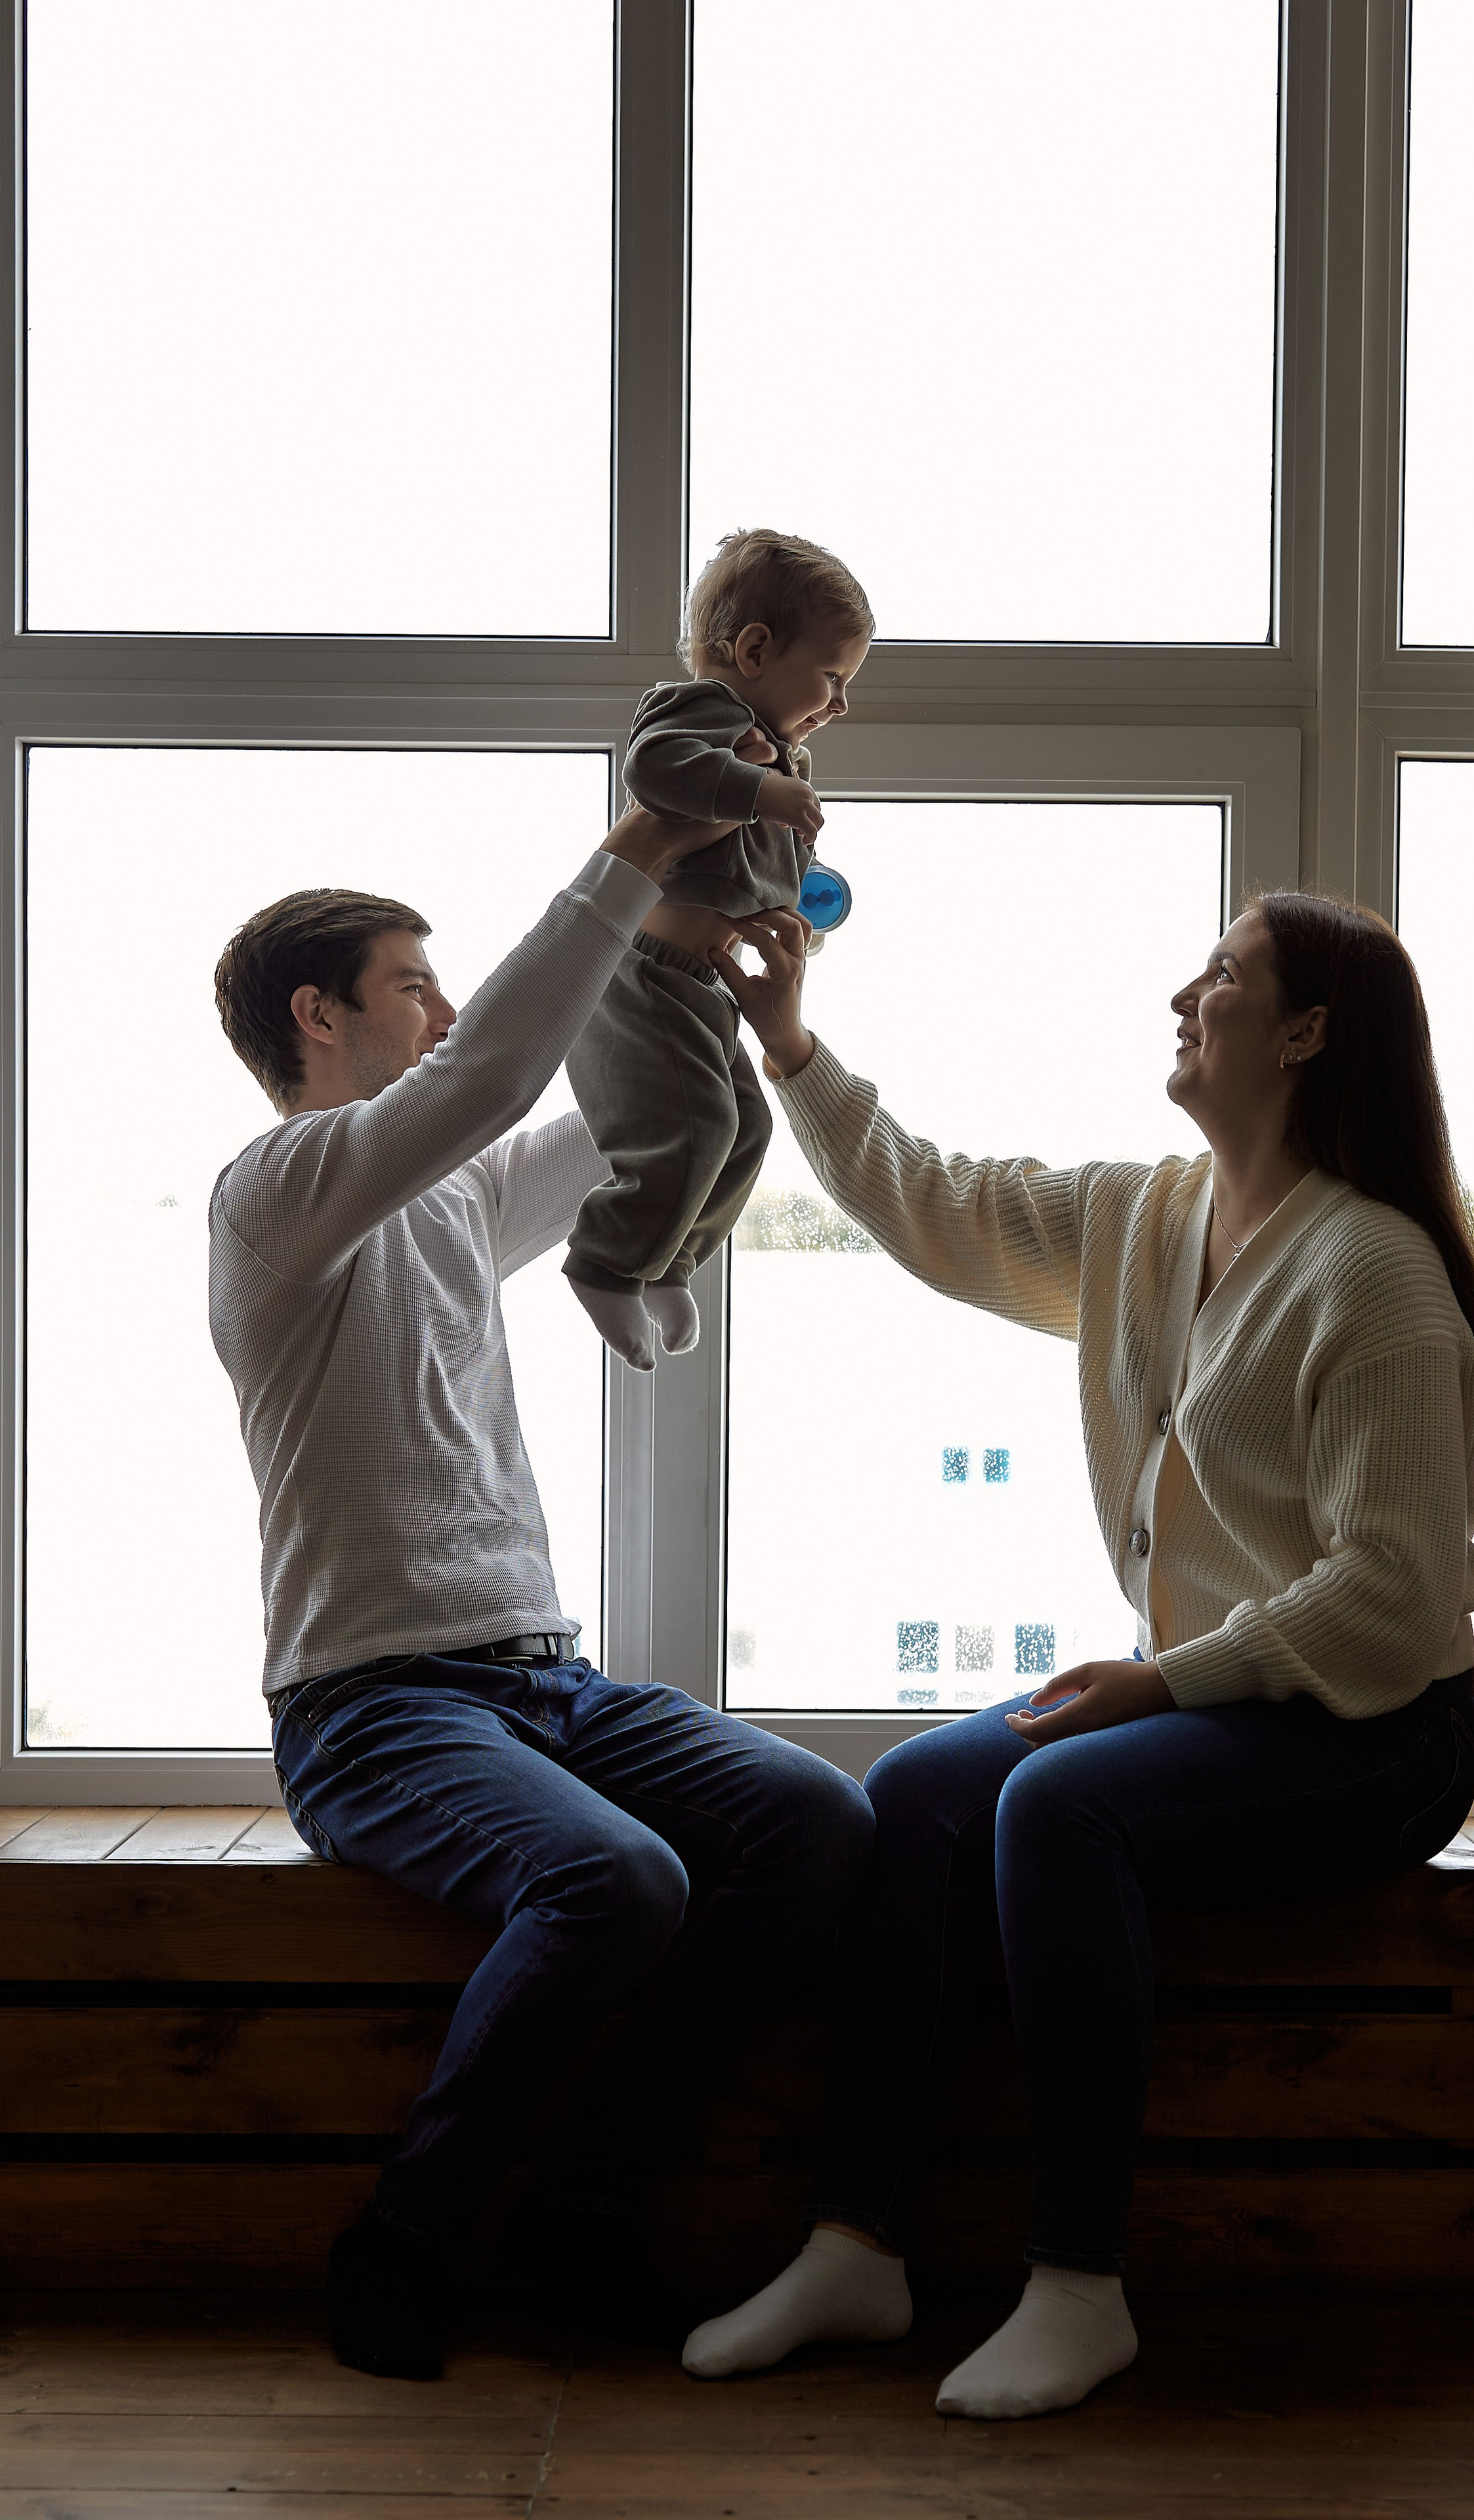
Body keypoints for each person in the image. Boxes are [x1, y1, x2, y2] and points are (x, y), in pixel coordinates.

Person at [681, 887, 1474, 2420]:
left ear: (1306, 1030)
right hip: (1226, 1700)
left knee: (1054, 1804)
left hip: (1373, 1727)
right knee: (925, 1786)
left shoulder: (1374, 1273)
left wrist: (1160, 1679)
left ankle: (1075, 2279)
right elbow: (930, 1204)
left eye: (1220, 976)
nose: (1180, 997)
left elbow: (1394, 1598)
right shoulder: (1146, 1216)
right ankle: (852, 2240)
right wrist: (788, 1044)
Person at [207, 810, 874, 2382]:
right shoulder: (279, 1192)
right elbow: (496, 1073)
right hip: (369, 1703)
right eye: (408, 985)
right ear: (319, 1016)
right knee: (618, 1882)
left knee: (815, 1826)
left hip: (539, 1682)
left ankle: (575, 2213)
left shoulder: (445, 1200)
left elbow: (614, 1108)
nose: (438, 1011)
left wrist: (715, 961)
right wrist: (634, 848)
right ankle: (410, 2236)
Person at [564, 528, 873, 1370]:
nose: (841, 703)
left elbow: (763, 871)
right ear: (753, 649)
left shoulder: (781, 758)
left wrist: (797, 917)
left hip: (707, 986)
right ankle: (605, 1261)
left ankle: (669, 1259)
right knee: (697, 1130)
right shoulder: (702, 713)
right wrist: (760, 788)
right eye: (833, 677)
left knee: (745, 1131)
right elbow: (657, 771)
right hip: (649, 980)